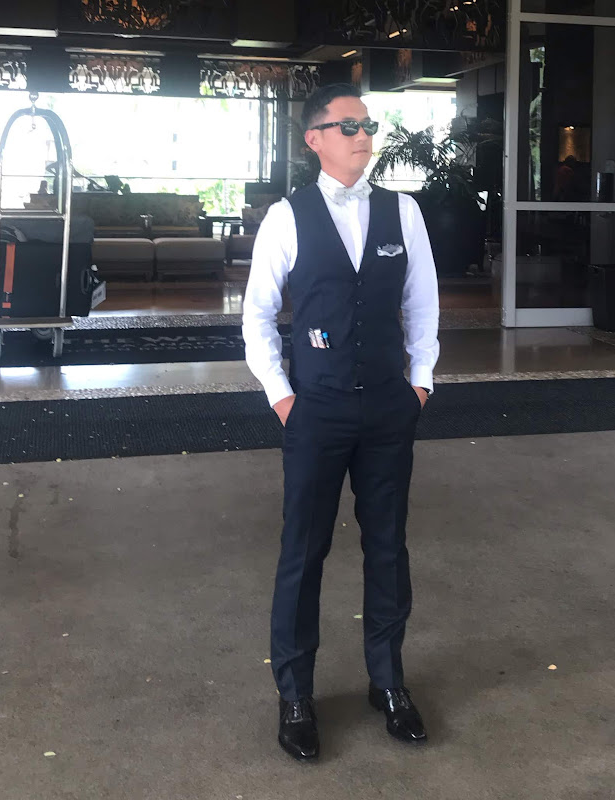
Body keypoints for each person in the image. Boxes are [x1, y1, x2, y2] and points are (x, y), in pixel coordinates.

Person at [242, 83, 440, 761]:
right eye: (348, 126)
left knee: (388, 546)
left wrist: (420, 383)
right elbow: (257, 316)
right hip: (316, 408)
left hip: (388, 406)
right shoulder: (287, 217)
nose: (363, 136)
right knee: (304, 550)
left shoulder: (402, 211)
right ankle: (295, 694)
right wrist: (282, 396)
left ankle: (388, 683)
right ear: (315, 140)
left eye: (368, 125)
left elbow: (423, 304)